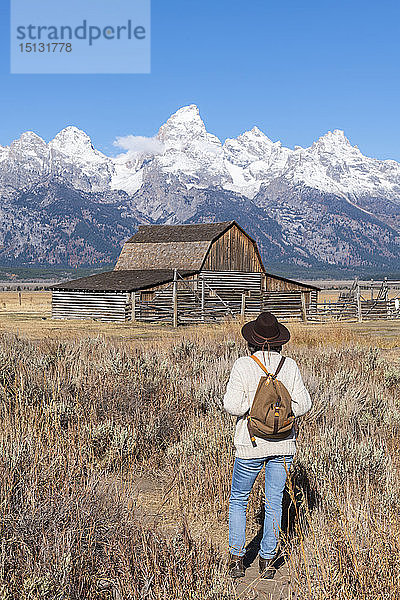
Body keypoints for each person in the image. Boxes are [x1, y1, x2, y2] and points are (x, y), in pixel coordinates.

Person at [223, 312, 312, 580]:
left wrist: (255, 409)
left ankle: (237, 560)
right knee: (275, 501)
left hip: (250, 444)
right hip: (283, 445)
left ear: (252, 340)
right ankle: (268, 561)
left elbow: (232, 406)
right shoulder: (290, 366)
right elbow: (304, 405)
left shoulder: (243, 365)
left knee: (239, 498)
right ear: (278, 340)